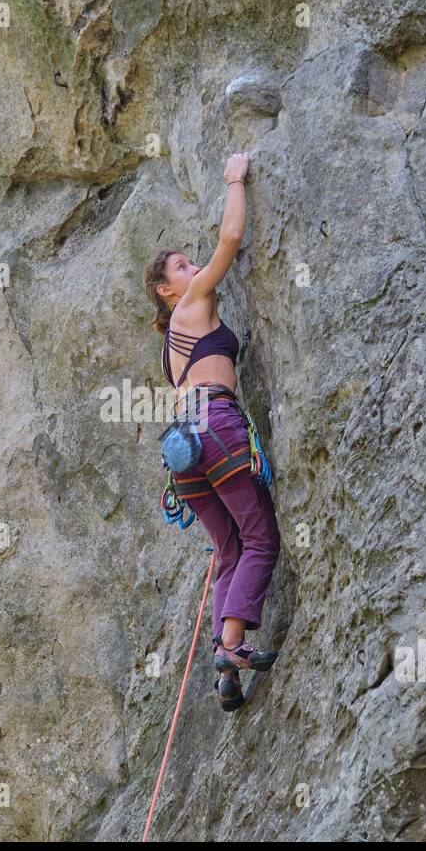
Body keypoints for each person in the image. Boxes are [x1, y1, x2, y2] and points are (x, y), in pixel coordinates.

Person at [143, 152, 281, 711]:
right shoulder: (192, 306)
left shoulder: (168, 347)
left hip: (184, 450)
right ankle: (231, 650)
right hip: (216, 425)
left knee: (228, 551)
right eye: (181, 266)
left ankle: (226, 675)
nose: (193, 267)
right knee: (261, 539)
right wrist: (234, 179)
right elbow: (231, 238)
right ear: (167, 291)